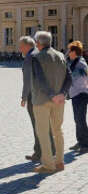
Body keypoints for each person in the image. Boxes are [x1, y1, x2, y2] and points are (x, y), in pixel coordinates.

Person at [27, 30, 70, 174]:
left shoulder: (36, 57)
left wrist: (52, 95)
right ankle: (59, 162)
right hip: (59, 101)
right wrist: (62, 94)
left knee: (43, 133)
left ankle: (48, 165)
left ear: (38, 43)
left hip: (42, 100)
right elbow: (69, 77)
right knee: (58, 131)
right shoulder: (61, 55)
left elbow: (40, 79)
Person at [18, 35, 41, 166]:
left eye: (21, 46)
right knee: (45, 124)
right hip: (46, 95)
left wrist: (24, 97)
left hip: (34, 96)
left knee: (36, 124)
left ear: (27, 46)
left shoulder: (29, 58)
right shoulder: (41, 54)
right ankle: (50, 150)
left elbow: (27, 80)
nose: (20, 48)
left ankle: (39, 152)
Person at [66, 40, 88, 153]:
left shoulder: (81, 63)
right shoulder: (72, 62)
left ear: (74, 52)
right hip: (75, 94)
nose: (68, 52)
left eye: (69, 50)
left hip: (81, 94)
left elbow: (85, 77)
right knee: (77, 119)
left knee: (81, 119)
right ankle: (80, 141)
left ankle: (85, 145)